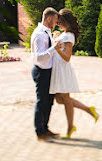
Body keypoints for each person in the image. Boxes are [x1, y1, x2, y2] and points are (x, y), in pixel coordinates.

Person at [50, 8, 99, 138]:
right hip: (58, 69)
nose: (58, 24)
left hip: (62, 70)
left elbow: (67, 57)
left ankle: (72, 127)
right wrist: (55, 37)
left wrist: (57, 48)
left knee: (65, 99)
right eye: (58, 22)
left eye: (60, 22)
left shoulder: (69, 36)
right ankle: (87, 111)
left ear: (66, 22)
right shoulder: (64, 33)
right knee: (61, 100)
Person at [31, 7, 62, 141]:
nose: (56, 23)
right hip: (41, 71)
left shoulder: (46, 32)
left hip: (48, 71)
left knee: (48, 101)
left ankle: (45, 128)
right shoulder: (39, 34)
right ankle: (39, 132)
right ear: (48, 18)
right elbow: (38, 57)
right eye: (55, 20)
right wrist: (53, 49)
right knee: (41, 102)